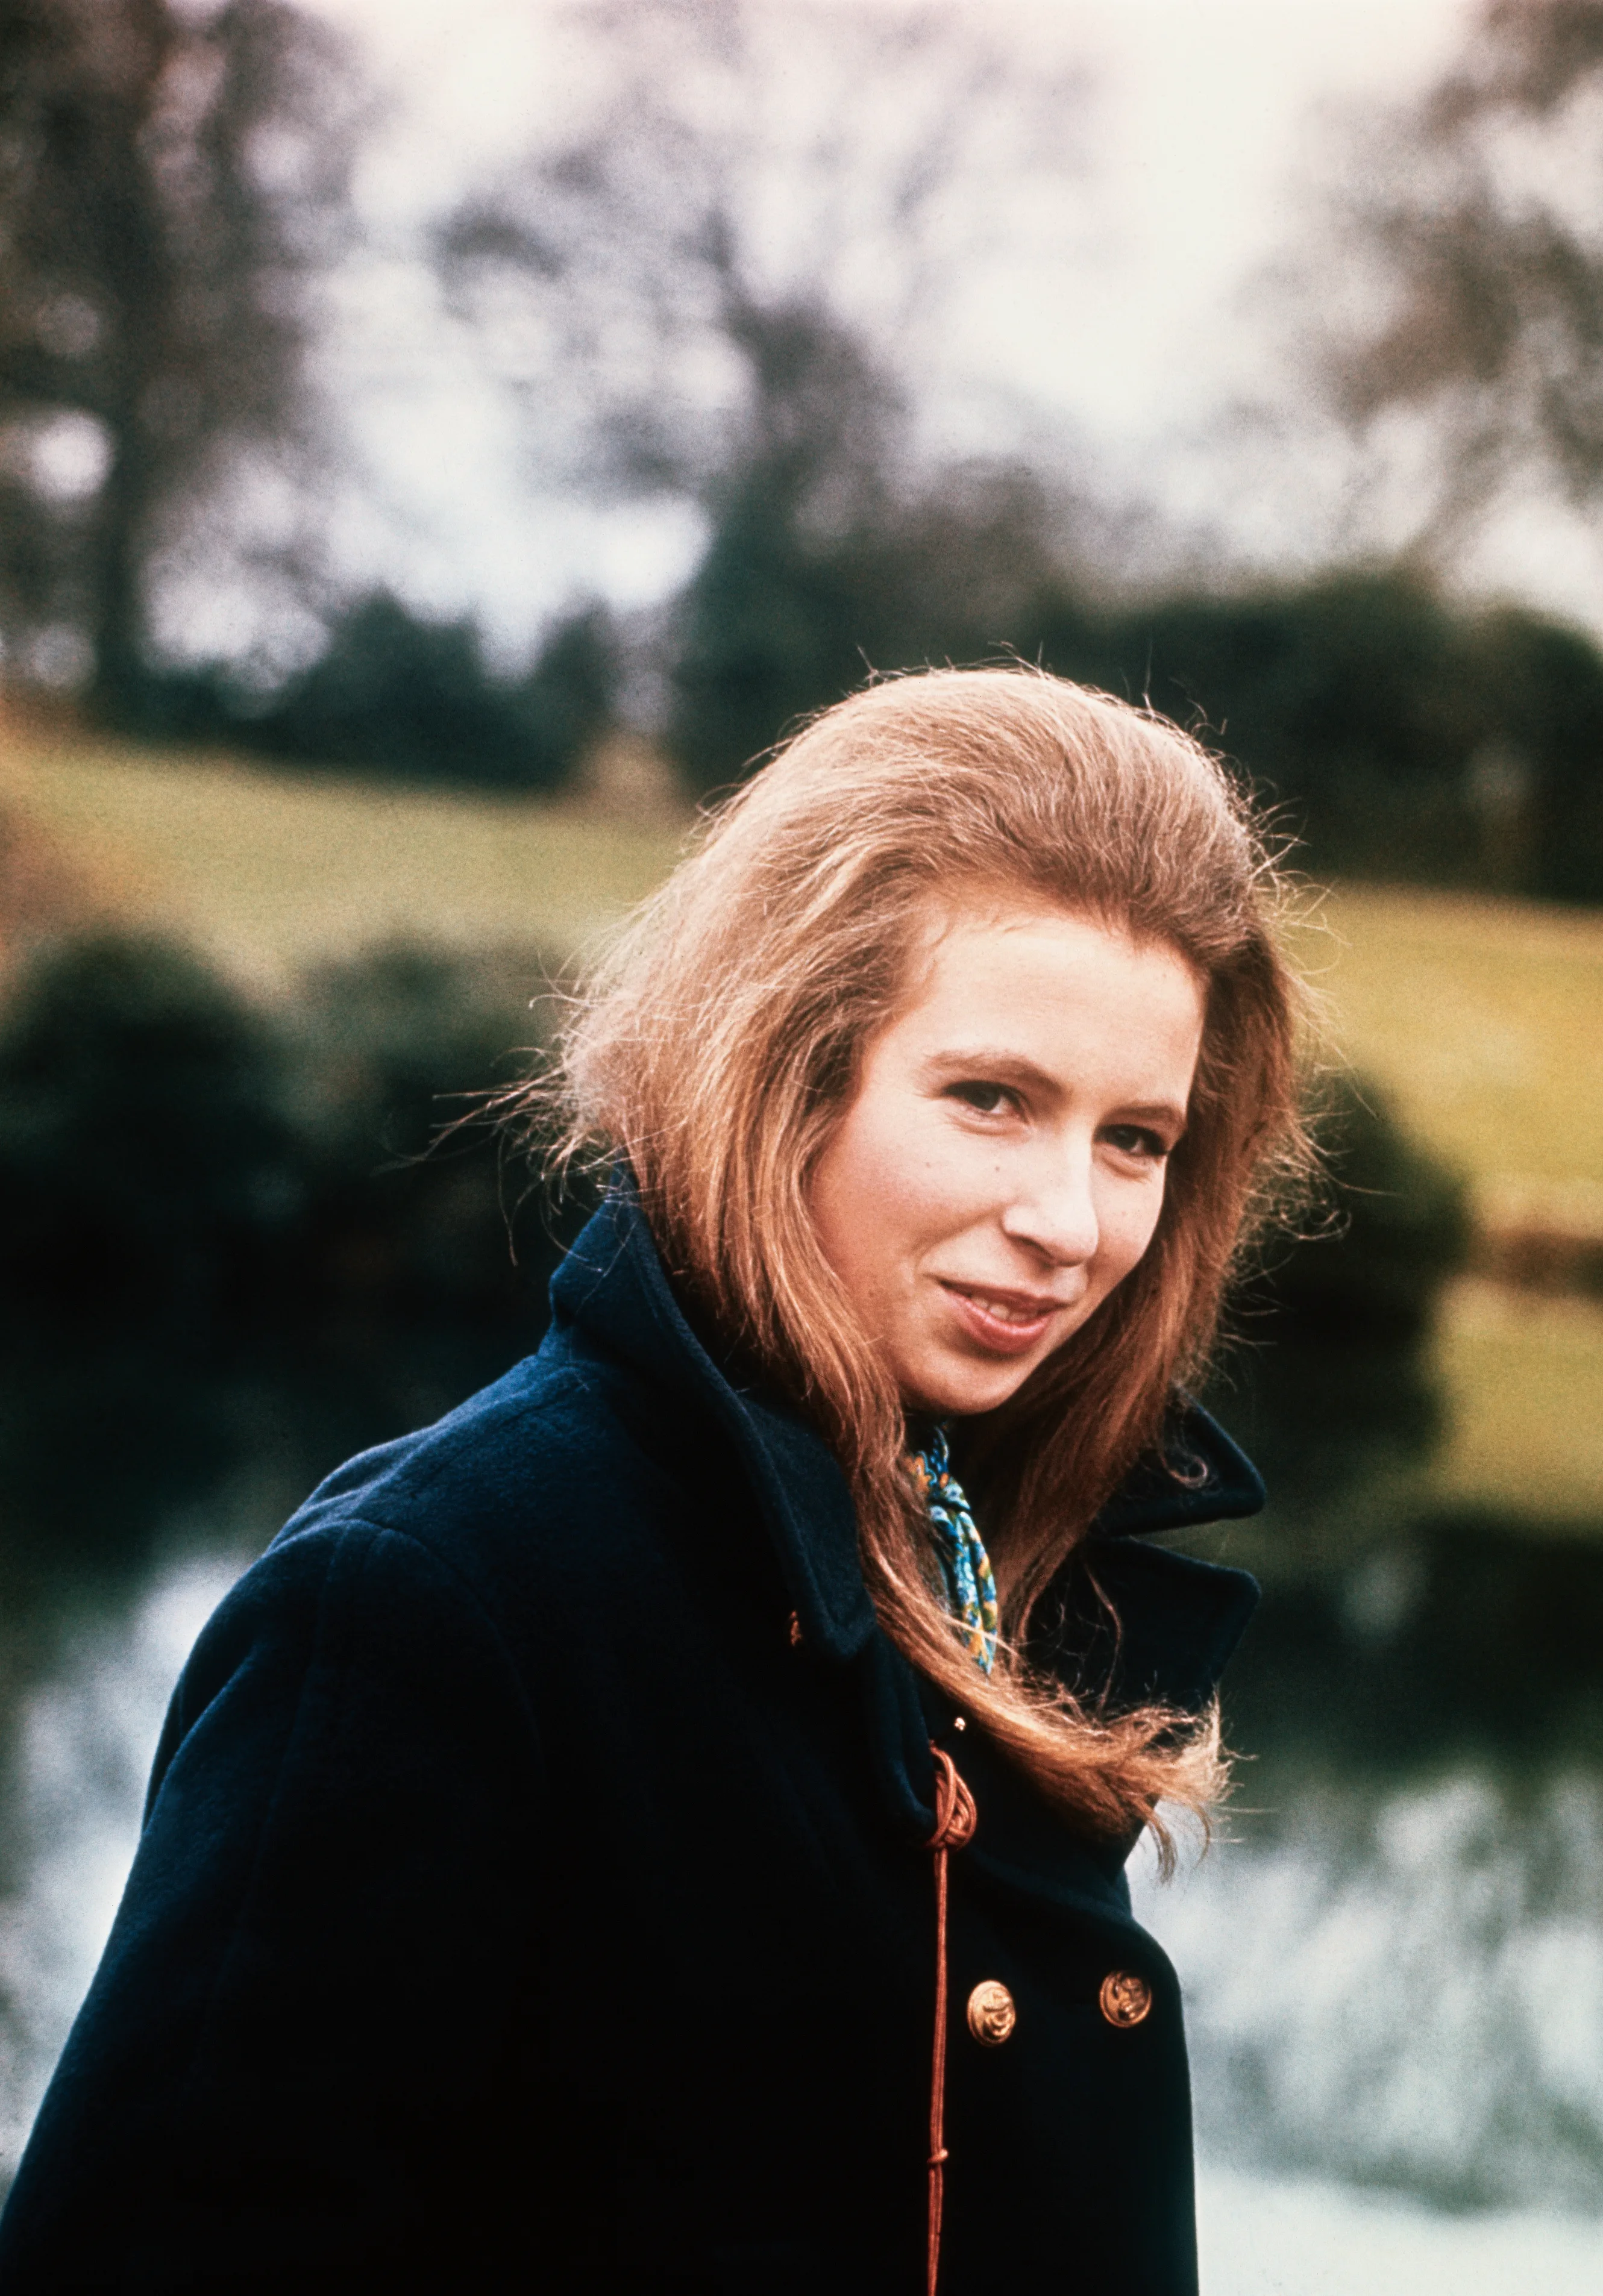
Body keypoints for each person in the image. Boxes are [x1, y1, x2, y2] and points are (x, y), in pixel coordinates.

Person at [0, 666, 1306, 2294]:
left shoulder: (986, 1555)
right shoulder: (441, 1596)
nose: (1070, 1220)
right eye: (989, 1099)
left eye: (1135, 1139)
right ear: (783, 1073)